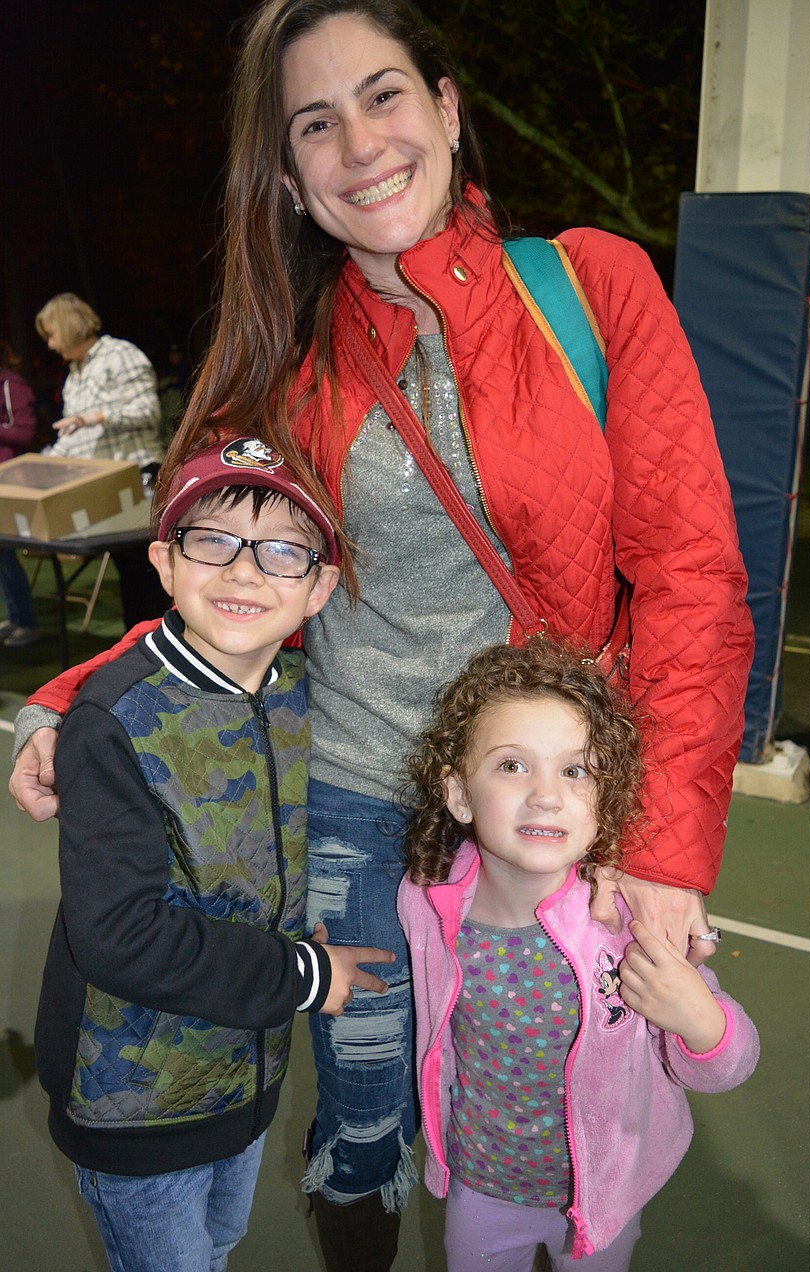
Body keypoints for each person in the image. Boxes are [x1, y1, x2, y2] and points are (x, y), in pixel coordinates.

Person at [10, 3, 755, 1268]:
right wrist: (74, 690)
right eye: (315, 123)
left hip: (539, 796)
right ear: (291, 179)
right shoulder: (283, 358)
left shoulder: (590, 286)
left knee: (542, 1081)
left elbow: (689, 578)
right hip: (353, 790)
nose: (359, 142)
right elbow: (222, 572)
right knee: (364, 1117)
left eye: (384, 96)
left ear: (448, 110)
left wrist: (669, 852)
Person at [35, 434, 394, 1272]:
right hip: (137, 1101)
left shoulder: (305, 694)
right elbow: (117, 935)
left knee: (220, 1245)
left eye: (280, 552)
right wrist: (302, 975)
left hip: (247, 1077)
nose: (243, 573)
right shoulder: (113, 720)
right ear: (164, 562)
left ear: (320, 588)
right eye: (213, 541)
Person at [398, 639, 759, 1271]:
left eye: (576, 770)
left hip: (601, 1197)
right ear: (458, 793)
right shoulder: (425, 901)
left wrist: (697, 1017)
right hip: (481, 1185)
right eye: (512, 766)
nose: (545, 795)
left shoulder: (626, 919)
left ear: (608, 797)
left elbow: (726, 1064)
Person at [35, 292, 169, 626]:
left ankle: (161, 645)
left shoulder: (119, 355)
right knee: (129, 573)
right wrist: (40, 465)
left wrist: (95, 417)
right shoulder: (74, 374)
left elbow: (147, 412)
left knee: (147, 574)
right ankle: (135, 645)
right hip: (103, 484)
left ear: (67, 328)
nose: (50, 344)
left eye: (51, 334)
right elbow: (72, 436)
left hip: (138, 479)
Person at [0, 340, 41, 646]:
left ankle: (26, 622)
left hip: (8, 481)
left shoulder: (12, 384)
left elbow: (24, 434)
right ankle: (16, 617)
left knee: (6, 553)